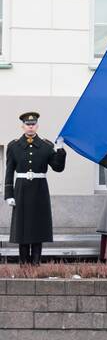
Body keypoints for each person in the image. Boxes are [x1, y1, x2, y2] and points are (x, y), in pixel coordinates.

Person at [4, 111, 66, 265]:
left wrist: (60, 151)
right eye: (27, 124)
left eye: (33, 124)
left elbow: (58, 168)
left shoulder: (46, 146)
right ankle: (24, 263)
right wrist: (8, 194)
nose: (30, 127)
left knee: (38, 226)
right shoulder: (14, 146)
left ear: (37, 126)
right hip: (21, 190)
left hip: (39, 190)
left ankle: (36, 263)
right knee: (22, 227)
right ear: (22, 126)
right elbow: (9, 171)